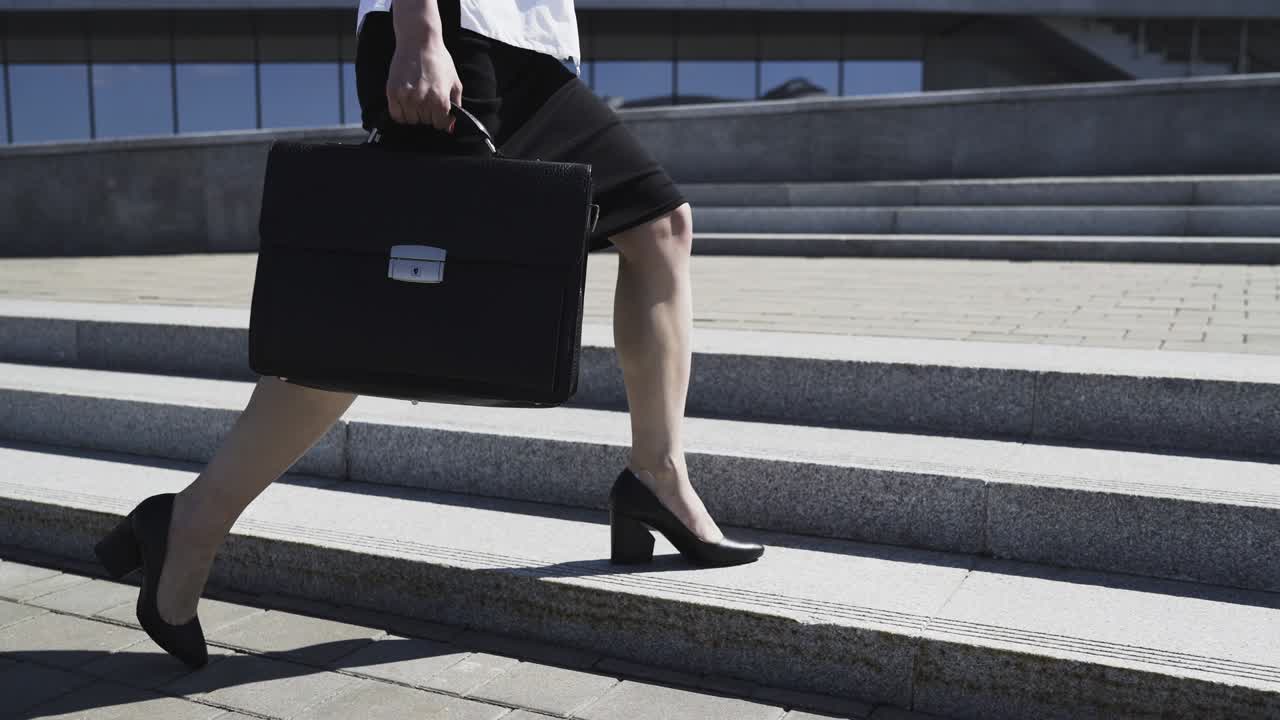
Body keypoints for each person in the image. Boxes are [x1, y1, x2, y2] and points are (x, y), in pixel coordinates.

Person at [92, 0, 765, 670]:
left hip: (523, 52)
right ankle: (190, 524)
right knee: (372, 320)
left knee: (660, 226)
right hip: (451, 33)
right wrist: (418, 30)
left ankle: (657, 475)